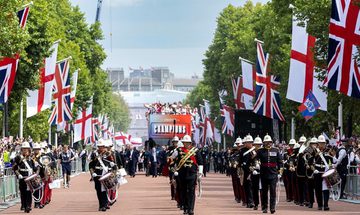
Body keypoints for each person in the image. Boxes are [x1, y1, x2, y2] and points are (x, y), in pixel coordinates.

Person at [175, 135, 203, 215]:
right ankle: (185, 207)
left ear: (190, 143)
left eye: (187, 143)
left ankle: (191, 209)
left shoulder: (196, 151)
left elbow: (200, 162)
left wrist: (200, 173)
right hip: (182, 174)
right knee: (183, 191)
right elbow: (173, 159)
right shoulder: (179, 150)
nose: (186, 144)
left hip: (192, 174)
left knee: (191, 191)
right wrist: (174, 170)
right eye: (185, 142)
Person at [256, 135, 282, 214]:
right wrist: (257, 163)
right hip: (264, 174)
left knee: (273, 192)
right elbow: (256, 159)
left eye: (269, 142)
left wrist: (280, 172)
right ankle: (264, 207)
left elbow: (280, 162)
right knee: (264, 192)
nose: (268, 144)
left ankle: (272, 207)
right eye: (266, 142)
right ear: (264, 143)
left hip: (273, 173)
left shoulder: (276, 150)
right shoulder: (260, 151)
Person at [89, 139, 117, 212]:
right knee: (98, 190)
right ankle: (101, 205)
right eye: (99, 146)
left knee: (104, 190)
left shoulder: (108, 154)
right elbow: (90, 165)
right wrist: (92, 173)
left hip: (105, 173)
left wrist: (113, 171)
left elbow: (112, 163)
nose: (100, 148)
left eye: (102, 146)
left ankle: (104, 205)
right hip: (97, 174)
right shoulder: (94, 154)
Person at [12, 142, 38, 213]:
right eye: (24, 149)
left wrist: (36, 174)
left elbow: (34, 168)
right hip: (22, 177)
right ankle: (23, 204)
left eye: (26, 149)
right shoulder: (18, 158)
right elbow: (14, 168)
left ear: (29, 149)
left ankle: (28, 206)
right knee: (23, 192)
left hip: (29, 178)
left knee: (29, 192)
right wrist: (18, 174)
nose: (25, 150)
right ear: (21, 149)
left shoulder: (31, 159)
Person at [314, 135, 332, 211]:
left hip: (325, 172)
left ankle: (326, 205)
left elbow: (332, 161)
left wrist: (331, 167)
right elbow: (310, 161)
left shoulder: (328, 151)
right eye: (320, 143)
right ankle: (320, 204)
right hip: (317, 172)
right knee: (318, 189)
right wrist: (313, 169)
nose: (322, 144)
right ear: (318, 143)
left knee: (326, 189)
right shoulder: (314, 151)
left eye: (323, 143)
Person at [239, 134, 255, 208]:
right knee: (246, 187)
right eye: (247, 142)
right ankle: (248, 202)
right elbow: (240, 161)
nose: (248, 143)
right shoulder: (242, 151)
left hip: (253, 171)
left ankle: (252, 201)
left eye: (250, 142)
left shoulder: (254, 150)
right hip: (245, 171)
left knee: (252, 187)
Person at [251, 136, 263, 210]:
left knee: (263, 190)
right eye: (256, 144)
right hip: (255, 172)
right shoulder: (251, 153)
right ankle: (256, 204)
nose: (258, 146)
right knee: (255, 189)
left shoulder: (263, 152)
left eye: (259, 144)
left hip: (262, 173)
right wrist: (252, 170)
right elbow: (249, 163)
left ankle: (263, 204)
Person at [32, 143, 44, 209]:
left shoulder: (42, 156)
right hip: (33, 175)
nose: (36, 151)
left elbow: (45, 164)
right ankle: (36, 202)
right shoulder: (31, 157)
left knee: (40, 189)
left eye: (37, 149)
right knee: (35, 189)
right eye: (35, 149)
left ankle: (39, 202)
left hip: (41, 174)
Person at [229, 137, 242, 203]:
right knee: (235, 184)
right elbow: (230, 159)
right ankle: (237, 196)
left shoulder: (242, 151)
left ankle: (241, 196)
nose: (238, 146)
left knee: (240, 184)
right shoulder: (233, 152)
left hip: (240, 169)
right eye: (237, 144)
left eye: (239, 145)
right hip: (234, 170)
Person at [296, 135, 307, 206]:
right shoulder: (297, 150)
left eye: (303, 142)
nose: (302, 144)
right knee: (300, 186)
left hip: (306, 171)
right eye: (301, 142)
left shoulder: (308, 150)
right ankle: (301, 200)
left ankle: (307, 200)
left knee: (306, 186)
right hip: (299, 171)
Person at [168, 136, 179, 200]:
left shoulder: (180, 149)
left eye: (176, 142)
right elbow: (167, 157)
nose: (175, 143)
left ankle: (177, 195)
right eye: (174, 142)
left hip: (178, 167)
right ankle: (173, 195)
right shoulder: (170, 149)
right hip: (172, 167)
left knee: (178, 182)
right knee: (172, 181)